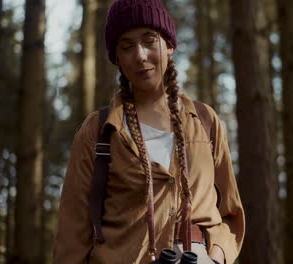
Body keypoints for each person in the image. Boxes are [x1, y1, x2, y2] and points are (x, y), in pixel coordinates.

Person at [53, 0, 244, 263]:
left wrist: (215, 257)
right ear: (117, 58)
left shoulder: (205, 122)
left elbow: (230, 215)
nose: (140, 55)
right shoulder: (98, 131)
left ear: (169, 46)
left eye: (149, 40)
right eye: (127, 46)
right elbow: (71, 237)